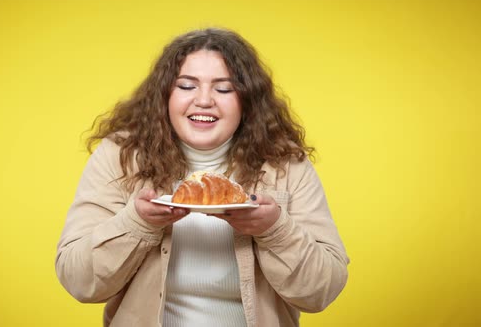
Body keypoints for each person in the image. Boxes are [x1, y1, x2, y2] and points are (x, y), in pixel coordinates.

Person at [55, 28, 349, 327]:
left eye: (223, 89)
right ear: (165, 96)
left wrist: (274, 230)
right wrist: (137, 222)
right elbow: (79, 281)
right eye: (186, 86)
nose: (204, 100)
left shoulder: (286, 165)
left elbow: (321, 292)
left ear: (247, 101)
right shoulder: (120, 156)